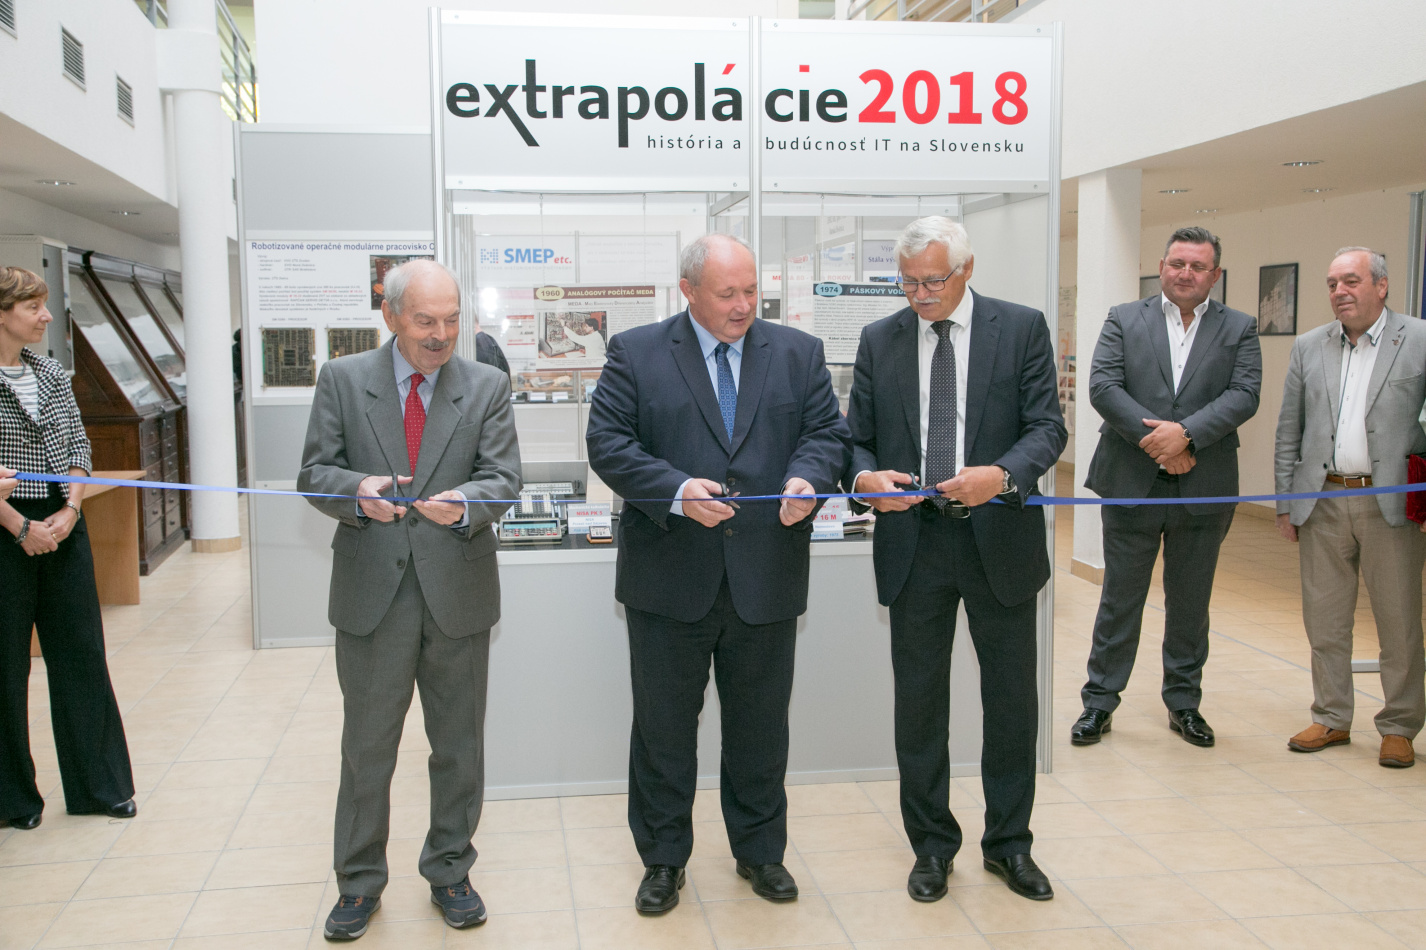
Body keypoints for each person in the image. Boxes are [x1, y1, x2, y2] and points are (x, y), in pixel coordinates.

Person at [585, 233, 850, 915]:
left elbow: (826, 435)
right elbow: (608, 444)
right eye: (727, 293)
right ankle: (664, 859)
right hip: (669, 577)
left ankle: (761, 851)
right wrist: (676, 491)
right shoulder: (637, 353)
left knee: (761, 727)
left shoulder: (797, 353)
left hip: (766, 573)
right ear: (689, 291)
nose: (743, 305)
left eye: (750, 290)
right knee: (664, 731)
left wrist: (807, 478)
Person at [297, 259, 522, 940]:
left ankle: (450, 869)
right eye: (425, 320)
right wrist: (357, 491)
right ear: (390, 315)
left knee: (458, 746)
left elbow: (503, 478)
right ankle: (358, 882)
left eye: (451, 320)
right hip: (373, 595)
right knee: (367, 749)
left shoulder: (485, 384)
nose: (440, 335)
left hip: (458, 593)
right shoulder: (343, 380)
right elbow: (314, 472)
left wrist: (467, 504)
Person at [844, 217, 1065, 903]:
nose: (920, 294)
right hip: (915, 544)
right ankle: (932, 846)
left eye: (933, 281)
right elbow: (855, 440)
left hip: (999, 540)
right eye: (908, 282)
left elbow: (1047, 428)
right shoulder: (880, 339)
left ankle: (1010, 845)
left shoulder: (1020, 328)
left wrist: (1002, 474)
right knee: (919, 707)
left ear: (966, 270)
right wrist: (866, 480)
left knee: (1010, 704)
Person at [1071, 227, 1261, 748]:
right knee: (1119, 599)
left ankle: (1184, 703)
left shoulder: (1239, 328)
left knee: (1190, 603)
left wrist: (1187, 435)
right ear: (1161, 267)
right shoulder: (1123, 318)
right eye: (1177, 263)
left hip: (1204, 485)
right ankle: (1099, 702)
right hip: (1130, 481)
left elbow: (1245, 394)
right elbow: (1103, 386)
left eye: (1197, 266)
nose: (1185, 273)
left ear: (1214, 275)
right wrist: (1160, 442)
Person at [1274, 247, 1426, 769]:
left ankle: (1399, 726)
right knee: (1325, 621)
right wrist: (1286, 501)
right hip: (1322, 500)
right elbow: (1289, 428)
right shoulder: (1309, 346)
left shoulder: (1419, 338)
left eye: (1351, 281)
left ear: (1381, 286)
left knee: (1398, 621)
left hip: (1392, 504)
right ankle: (1332, 716)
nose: (1339, 291)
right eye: (1332, 283)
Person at [0, 266, 136, 831]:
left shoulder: (51, 373)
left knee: (81, 655)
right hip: (6, 527)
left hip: (61, 520)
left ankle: (99, 787)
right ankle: (12, 800)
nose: (46, 316)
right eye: (33, 307)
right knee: (7, 666)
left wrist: (72, 509)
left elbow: (78, 446)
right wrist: (19, 527)